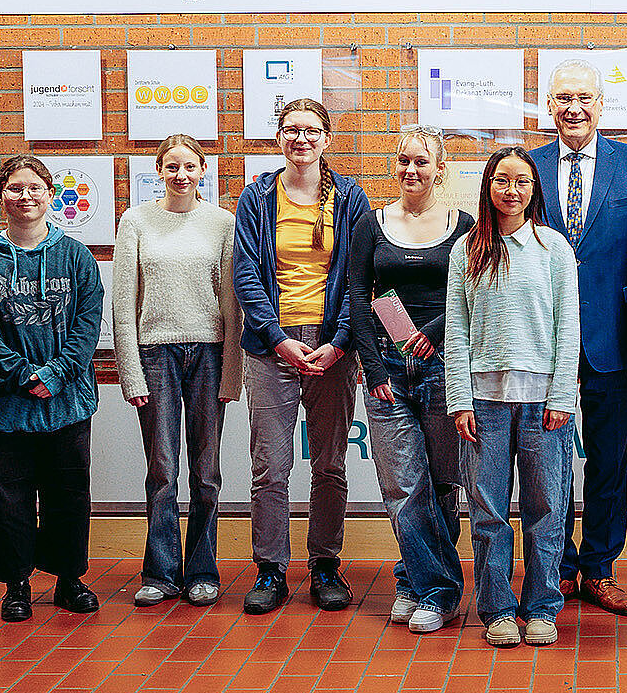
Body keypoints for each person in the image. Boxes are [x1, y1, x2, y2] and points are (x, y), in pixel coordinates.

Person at [528, 58, 627, 617]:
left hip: (615, 337)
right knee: (547, 463)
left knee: (609, 460)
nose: (574, 108)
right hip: (542, 342)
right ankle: (557, 567)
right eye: (563, 98)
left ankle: (600, 568)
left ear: (602, 104)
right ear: (549, 106)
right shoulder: (527, 168)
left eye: (584, 97)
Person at [233, 98, 372, 615]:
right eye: (291, 130)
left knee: (330, 463)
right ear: (279, 137)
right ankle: (271, 568)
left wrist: (340, 341)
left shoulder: (350, 197)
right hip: (272, 348)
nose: (301, 139)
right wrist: (276, 338)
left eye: (311, 130)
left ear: (326, 139)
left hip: (333, 346)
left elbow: (359, 276)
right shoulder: (257, 197)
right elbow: (246, 274)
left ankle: (325, 565)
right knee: (270, 466)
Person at [0, 155, 104, 623]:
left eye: (35, 187)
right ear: (1, 194)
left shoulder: (76, 256)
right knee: (9, 498)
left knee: (69, 494)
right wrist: (23, 375)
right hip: (5, 403)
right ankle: (16, 584)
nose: (26, 196)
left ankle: (68, 579)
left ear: (50, 194)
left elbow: (88, 324)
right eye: (16, 188)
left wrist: (56, 374)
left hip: (67, 402)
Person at [446, 148, 581, 649]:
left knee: (547, 508)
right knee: (488, 511)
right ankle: (498, 609)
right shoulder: (467, 250)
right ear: (488, 186)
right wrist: (459, 399)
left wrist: (562, 394)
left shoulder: (552, 247)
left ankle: (542, 606)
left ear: (534, 189)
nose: (511, 190)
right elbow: (456, 330)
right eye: (502, 180)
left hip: (544, 403)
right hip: (483, 403)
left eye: (521, 181)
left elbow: (569, 327)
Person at [350, 126, 473, 634]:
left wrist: (434, 333)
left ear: (440, 169)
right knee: (403, 484)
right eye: (404, 160)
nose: (411, 169)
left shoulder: (464, 225)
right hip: (387, 369)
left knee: (441, 484)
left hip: (445, 365)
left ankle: (415, 581)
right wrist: (373, 367)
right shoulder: (371, 223)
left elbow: (471, 292)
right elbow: (357, 297)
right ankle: (438, 590)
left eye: (422, 161)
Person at [112, 135, 242, 608]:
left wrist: (232, 373)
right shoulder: (136, 221)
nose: (181, 175)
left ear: (203, 170)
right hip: (155, 355)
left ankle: (203, 571)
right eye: (172, 167)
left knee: (206, 473)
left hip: (209, 354)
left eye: (190, 166)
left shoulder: (222, 223)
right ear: (159, 170)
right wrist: (130, 372)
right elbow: (123, 303)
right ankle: (161, 573)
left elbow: (231, 303)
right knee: (162, 470)